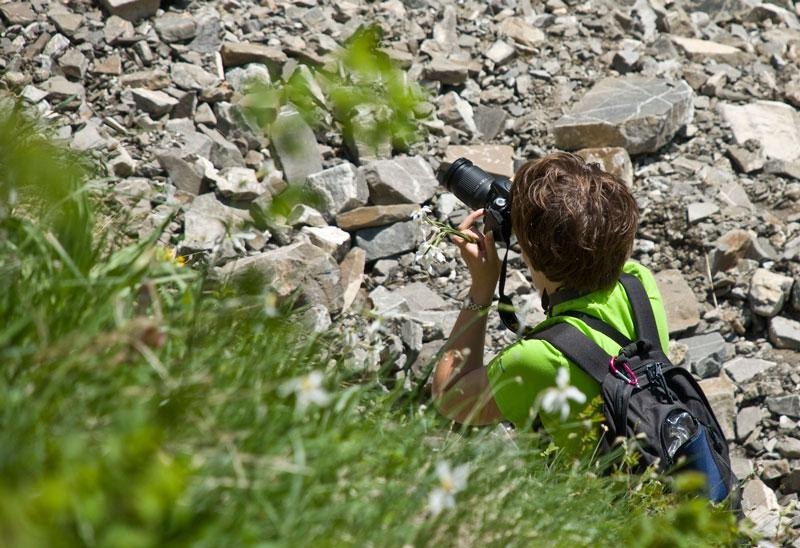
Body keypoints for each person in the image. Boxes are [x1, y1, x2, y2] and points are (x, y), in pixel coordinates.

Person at [431, 152, 670, 438]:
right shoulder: (638, 282)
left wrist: (482, 287)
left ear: (530, 252)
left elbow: (450, 398)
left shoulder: (538, 358)